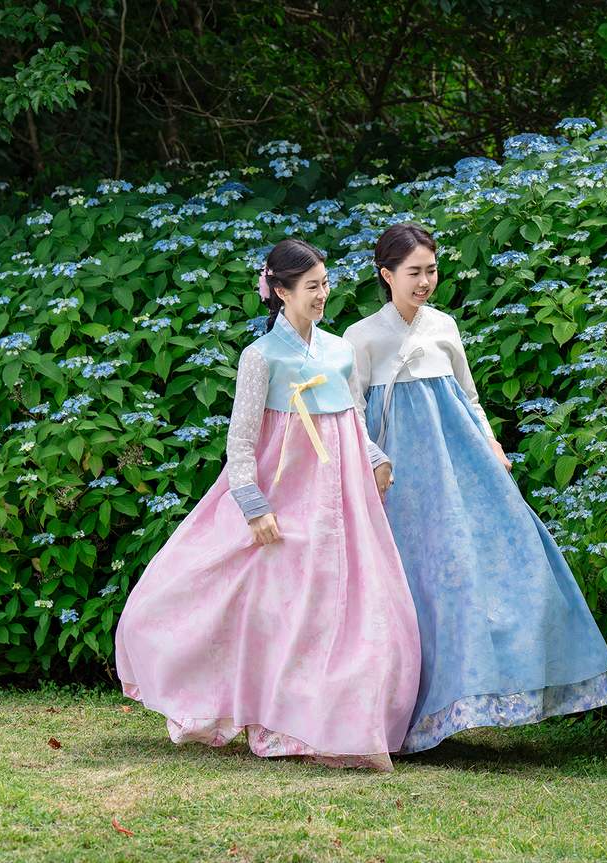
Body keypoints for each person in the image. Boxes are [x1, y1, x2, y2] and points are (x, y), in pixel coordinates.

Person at [115, 238, 421, 771]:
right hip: (286, 492)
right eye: (311, 287)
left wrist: (376, 459)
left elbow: (351, 416)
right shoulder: (260, 358)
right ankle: (274, 718)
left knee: (342, 608)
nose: (323, 294)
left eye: (325, 283)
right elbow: (240, 443)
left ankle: (330, 721)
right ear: (279, 292)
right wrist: (253, 506)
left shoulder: (338, 351)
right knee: (277, 607)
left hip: (341, 501)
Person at [343, 223, 607, 754]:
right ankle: (406, 715)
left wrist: (492, 445)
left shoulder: (443, 326)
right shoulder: (362, 338)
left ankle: (472, 703)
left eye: (432, 270)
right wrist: (374, 461)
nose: (425, 281)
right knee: (413, 585)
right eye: (414, 272)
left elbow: (467, 397)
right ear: (386, 274)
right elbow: (352, 412)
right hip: (399, 481)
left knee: (496, 567)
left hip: (462, 471)